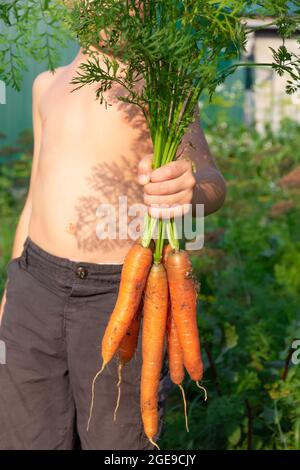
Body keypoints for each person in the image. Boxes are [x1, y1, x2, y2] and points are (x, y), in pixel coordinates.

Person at [0, 6, 226, 451]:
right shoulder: (48, 83)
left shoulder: (162, 85)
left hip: (118, 293)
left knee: (117, 434)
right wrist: (12, 285)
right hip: (33, 286)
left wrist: (190, 191)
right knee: (24, 430)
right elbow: (34, 197)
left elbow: (213, 183)